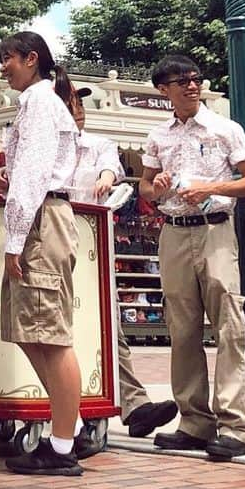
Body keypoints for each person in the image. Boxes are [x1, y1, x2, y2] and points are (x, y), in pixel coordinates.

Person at [139, 54, 245, 461]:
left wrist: (211, 187)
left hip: (214, 230)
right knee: (183, 330)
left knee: (229, 325)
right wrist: (156, 186)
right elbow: (145, 188)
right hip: (174, 233)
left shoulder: (225, 129)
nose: (192, 86)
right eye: (181, 81)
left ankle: (235, 425)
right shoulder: (159, 137)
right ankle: (194, 421)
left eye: (195, 79)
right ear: (164, 91)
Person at [0, 32, 88, 478]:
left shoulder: (37, 102)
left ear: (32, 59)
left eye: (8, 58)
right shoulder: (43, 101)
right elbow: (29, 169)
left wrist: (15, 239)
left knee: (48, 331)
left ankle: (64, 443)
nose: (3, 67)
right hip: (44, 214)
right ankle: (72, 424)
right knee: (31, 326)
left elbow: (33, 173)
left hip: (40, 220)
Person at [65, 86, 177, 440]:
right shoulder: (41, 146)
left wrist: (106, 178)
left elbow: (110, 168)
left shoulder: (98, 145)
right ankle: (81, 409)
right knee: (61, 334)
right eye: (70, 103)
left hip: (91, 248)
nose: (78, 110)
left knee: (108, 327)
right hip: (52, 245)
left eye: (80, 103)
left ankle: (134, 405)